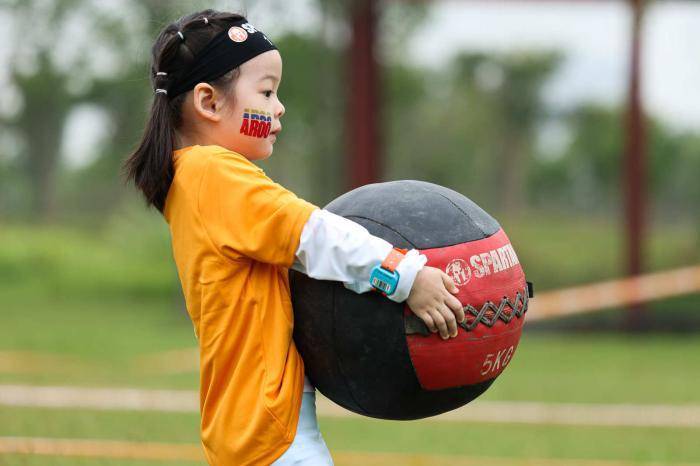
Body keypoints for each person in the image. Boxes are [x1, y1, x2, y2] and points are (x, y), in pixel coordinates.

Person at [123, 9, 465, 466]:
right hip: (268, 433)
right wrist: (405, 276)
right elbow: (313, 234)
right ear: (208, 102)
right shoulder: (214, 173)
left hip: (250, 425)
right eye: (266, 92)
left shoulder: (194, 180)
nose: (278, 107)